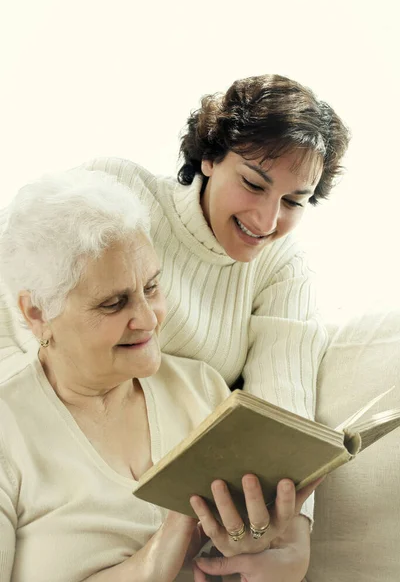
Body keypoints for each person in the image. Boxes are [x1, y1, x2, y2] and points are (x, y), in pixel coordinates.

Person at [0, 170, 319, 582]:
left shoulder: (202, 390)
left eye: (151, 287)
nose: (149, 319)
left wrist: (264, 554)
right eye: (114, 304)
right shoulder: (10, 432)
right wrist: (158, 555)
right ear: (37, 313)